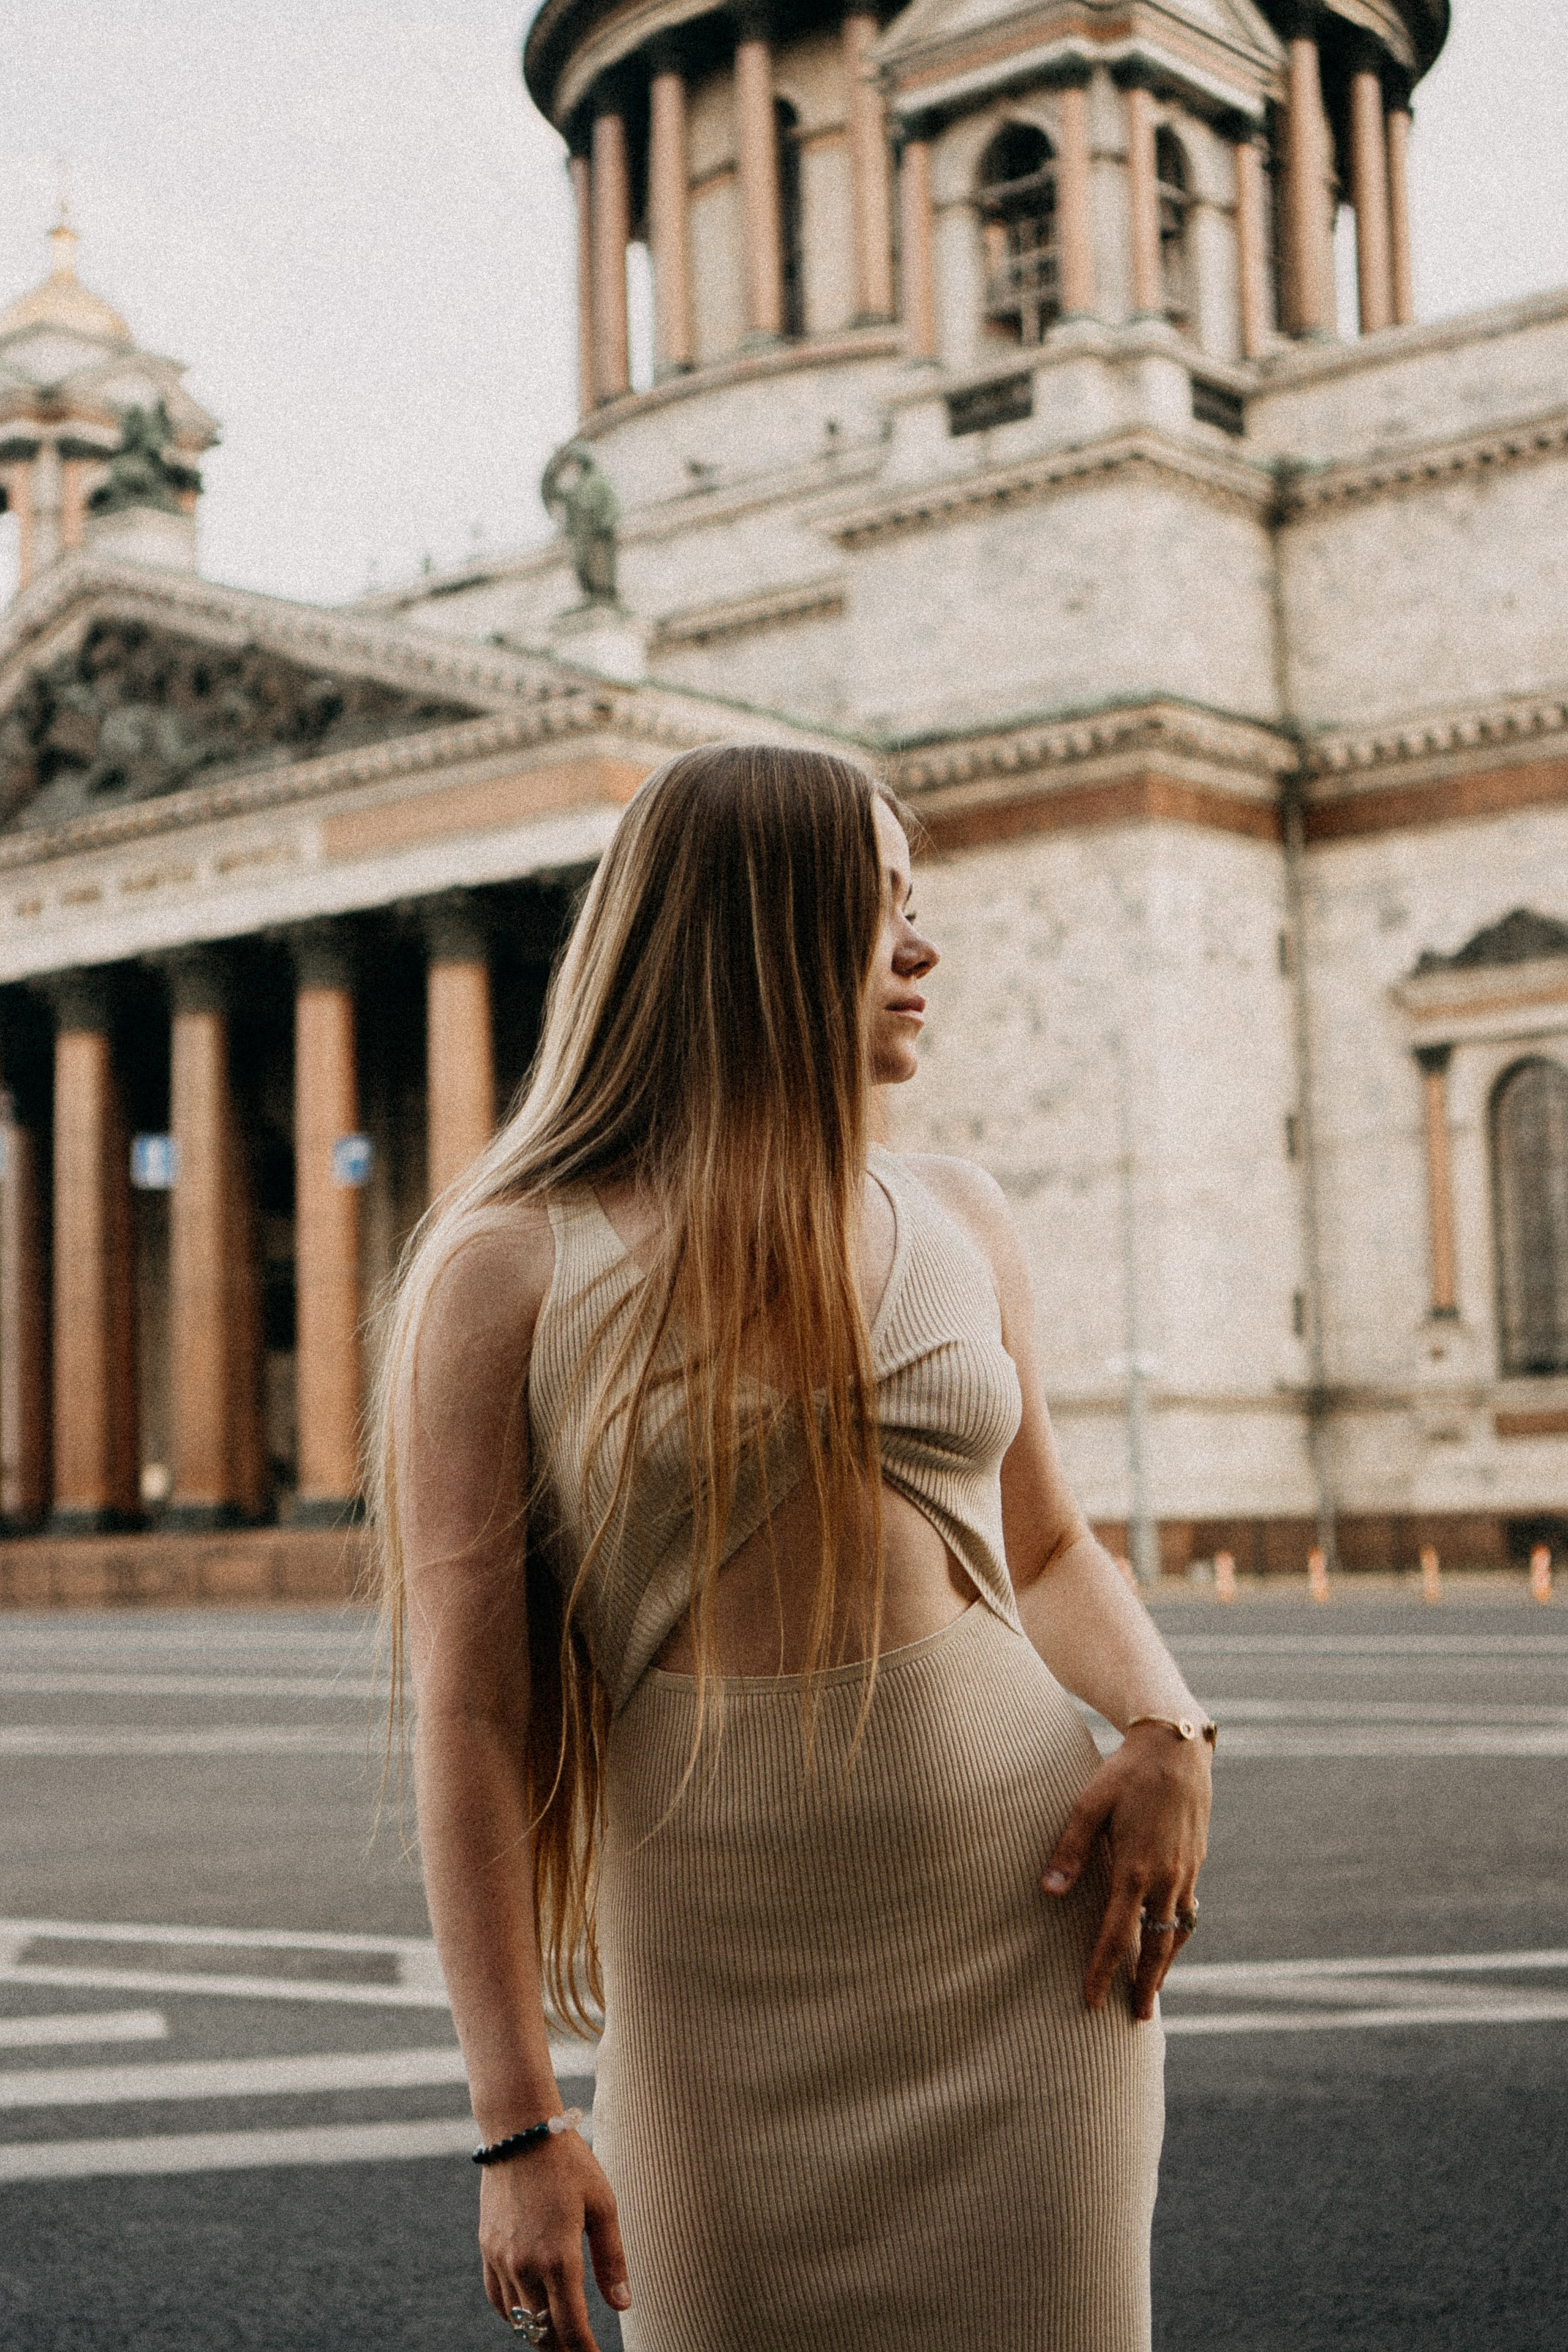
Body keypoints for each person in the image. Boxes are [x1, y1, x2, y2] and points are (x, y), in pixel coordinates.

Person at [370, 744, 1213, 2352]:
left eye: (920, 907)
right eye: (879, 910)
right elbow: (472, 1714)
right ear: (748, 938)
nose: (924, 951)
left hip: (1024, 1956)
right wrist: (517, 2123)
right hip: (717, 1995)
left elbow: (1043, 1550)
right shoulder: (507, 1263)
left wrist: (1172, 1726)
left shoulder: (961, 1214)